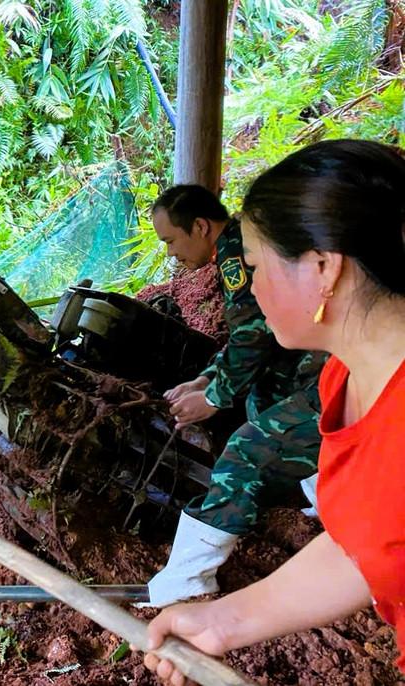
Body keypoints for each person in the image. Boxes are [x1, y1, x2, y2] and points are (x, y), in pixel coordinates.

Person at [141, 139, 405, 684]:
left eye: (257, 267)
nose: (249, 284)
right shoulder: (342, 380)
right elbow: (368, 541)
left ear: (324, 268)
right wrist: (222, 622)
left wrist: (214, 394)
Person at [145, 185, 325, 607]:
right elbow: (255, 334)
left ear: (201, 226)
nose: (170, 253)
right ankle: (321, 495)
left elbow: (255, 334)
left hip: (339, 365)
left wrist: (214, 397)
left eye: (171, 240)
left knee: (246, 450)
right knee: (263, 397)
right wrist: (207, 379)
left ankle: (188, 579)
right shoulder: (241, 239)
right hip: (313, 354)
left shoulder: (238, 250)